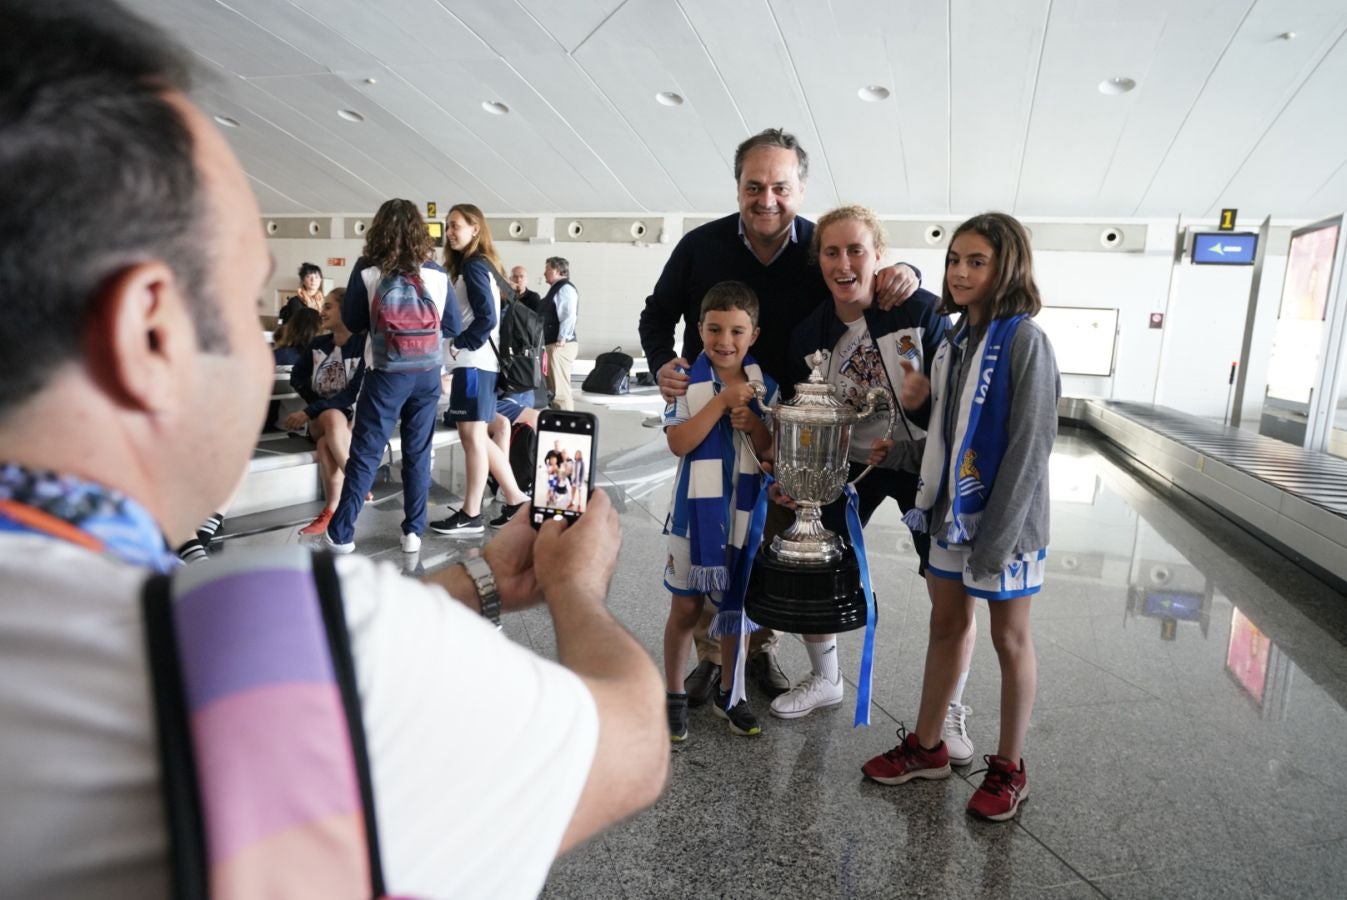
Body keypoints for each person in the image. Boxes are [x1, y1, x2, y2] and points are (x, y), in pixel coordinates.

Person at [0, 3, 668, 896]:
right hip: (433, 377)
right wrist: (574, 588)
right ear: (149, 335)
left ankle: (356, 528)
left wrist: (470, 587)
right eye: (245, 305)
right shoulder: (277, 629)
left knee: (365, 459)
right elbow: (629, 744)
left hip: (387, 377)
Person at [636, 127, 923, 704]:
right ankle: (712, 659)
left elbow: (861, 277)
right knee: (710, 531)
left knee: (764, 541)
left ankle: (754, 652)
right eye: (754, 185)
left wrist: (908, 273)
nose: (767, 199)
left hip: (789, 430)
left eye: (781, 187)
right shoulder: (700, 246)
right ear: (738, 186)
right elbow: (656, 313)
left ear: (800, 189)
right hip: (712, 418)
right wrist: (664, 362)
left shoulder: (820, 246)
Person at [860, 212, 1060, 824]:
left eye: (978, 261)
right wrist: (905, 449)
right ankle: (926, 746)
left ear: (1008, 267)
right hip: (950, 515)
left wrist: (997, 541)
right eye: (955, 260)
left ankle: (1010, 767)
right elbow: (949, 432)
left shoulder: (1025, 340)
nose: (962, 271)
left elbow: (1030, 446)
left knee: (1009, 638)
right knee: (945, 626)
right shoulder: (951, 339)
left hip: (1004, 524)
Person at [769, 206, 965, 735]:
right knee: (813, 563)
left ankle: (947, 710)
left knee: (945, 582)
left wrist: (923, 407)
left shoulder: (918, 310)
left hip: (917, 458)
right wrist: (793, 473)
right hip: (846, 463)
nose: (844, 262)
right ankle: (826, 678)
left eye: (857, 249)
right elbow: (798, 409)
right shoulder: (811, 331)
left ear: (879, 255)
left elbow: (954, 398)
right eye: (832, 251)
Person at [661, 282, 775, 741]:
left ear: (754, 336)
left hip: (743, 519)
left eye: (736, 331)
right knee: (686, 608)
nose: (724, 340)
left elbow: (769, 455)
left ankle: (733, 693)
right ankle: (671, 694)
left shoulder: (765, 386)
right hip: (693, 519)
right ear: (699, 329)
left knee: (736, 610)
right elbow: (679, 442)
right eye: (714, 329)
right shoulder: (684, 381)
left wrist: (756, 426)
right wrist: (722, 402)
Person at [326, 199, 455, 555]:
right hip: (427, 374)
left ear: (378, 229)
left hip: (385, 373)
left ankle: (342, 533)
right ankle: (413, 532)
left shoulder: (367, 269)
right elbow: (454, 325)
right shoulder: (437, 272)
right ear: (419, 231)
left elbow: (351, 322)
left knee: (366, 451)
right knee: (418, 451)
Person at [430, 204, 531, 536]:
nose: (450, 232)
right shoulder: (476, 265)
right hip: (475, 365)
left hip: (473, 364)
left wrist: (460, 344)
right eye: (447, 226)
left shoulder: (474, 266)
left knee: (472, 436)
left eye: (456, 225)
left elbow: (486, 319)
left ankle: (474, 513)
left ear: (476, 229)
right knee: (474, 436)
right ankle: (514, 501)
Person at [283, 288, 367, 536]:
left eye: (329, 306)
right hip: (323, 419)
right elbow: (297, 377)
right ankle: (357, 481)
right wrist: (315, 406)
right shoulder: (318, 344)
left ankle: (330, 511)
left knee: (324, 446)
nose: (322, 312)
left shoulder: (363, 346)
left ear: (347, 310)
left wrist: (309, 410)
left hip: (349, 421)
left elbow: (353, 392)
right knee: (331, 417)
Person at [541, 256, 579, 410]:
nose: (544, 273)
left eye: (547, 269)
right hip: (555, 345)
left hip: (560, 346)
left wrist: (561, 340)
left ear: (556, 270)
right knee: (554, 392)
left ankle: (565, 428)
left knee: (560, 393)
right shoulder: (557, 288)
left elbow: (569, 315)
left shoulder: (565, 288)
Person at [278, 261, 324, 325]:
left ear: (320, 280)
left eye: (316, 277)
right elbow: (299, 324)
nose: (313, 280)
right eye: (308, 277)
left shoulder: (324, 301)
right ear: (302, 280)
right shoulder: (295, 301)